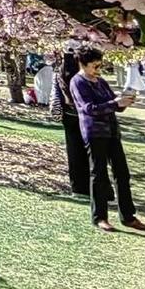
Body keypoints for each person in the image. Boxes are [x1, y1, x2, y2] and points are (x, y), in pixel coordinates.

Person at [69, 46, 145, 234]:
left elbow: (113, 104)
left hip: (112, 132)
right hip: (94, 132)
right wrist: (115, 103)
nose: (98, 70)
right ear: (83, 64)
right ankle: (100, 217)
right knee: (98, 174)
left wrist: (124, 101)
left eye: (100, 65)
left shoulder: (101, 82)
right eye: (95, 66)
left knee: (122, 173)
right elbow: (88, 108)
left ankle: (128, 216)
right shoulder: (78, 82)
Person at [51, 62, 91, 198]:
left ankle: (78, 188)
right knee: (89, 152)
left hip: (69, 114)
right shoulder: (85, 70)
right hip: (84, 114)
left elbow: (56, 91)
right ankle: (90, 187)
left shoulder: (61, 68)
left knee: (74, 151)